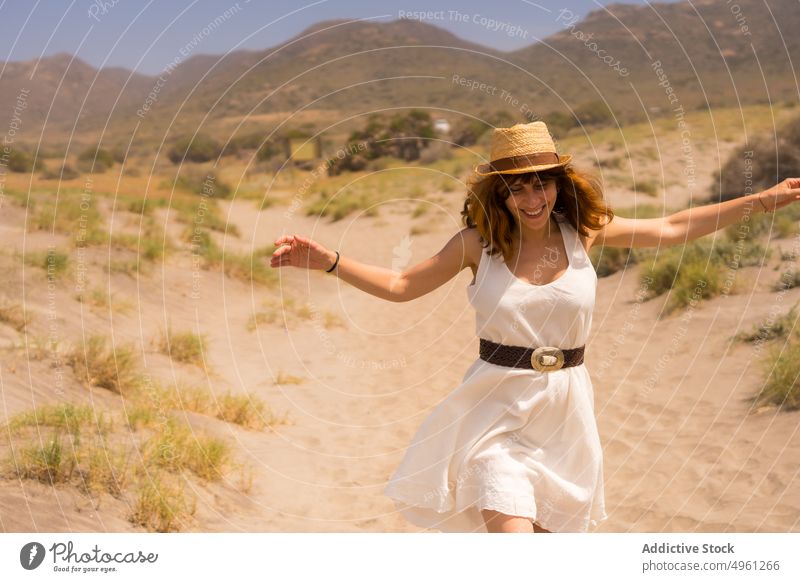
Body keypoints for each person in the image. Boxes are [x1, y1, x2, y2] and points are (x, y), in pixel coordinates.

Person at [270, 121, 800, 533]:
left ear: (557, 183)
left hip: (566, 414)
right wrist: (331, 261)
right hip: (494, 412)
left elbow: (673, 226)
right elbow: (404, 285)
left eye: (540, 184)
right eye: (517, 188)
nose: (532, 200)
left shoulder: (583, 233)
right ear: (500, 194)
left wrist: (765, 199)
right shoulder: (477, 244)